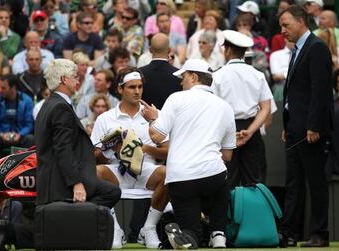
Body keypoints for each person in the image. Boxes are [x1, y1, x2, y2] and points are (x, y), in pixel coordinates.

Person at [0, 58, 121, 250]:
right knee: (110, 193)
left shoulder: (49, 104)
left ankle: (11, 232)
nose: (79, 80)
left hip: (54, 178)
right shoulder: (60, 107)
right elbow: (63, 149)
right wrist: (76, 183)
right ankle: (15, 232)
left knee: (56, 228)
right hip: (62, 181)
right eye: (75, 77)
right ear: (63, 79)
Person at [141, 59, 236, 248]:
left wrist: (152, 119)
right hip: (212, 176)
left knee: (191, 232)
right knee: (221, 178)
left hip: (181, 178)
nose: (180, 82)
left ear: (193, 77)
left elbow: (158, 135)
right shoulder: (225, 106)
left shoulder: (176, 98)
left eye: (183, 77)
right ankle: (218, 233)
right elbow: (227, 156)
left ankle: (190, 235)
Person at [90, 67, 169, 249]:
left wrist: (147, 148)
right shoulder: (105, 118)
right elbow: (93, 157)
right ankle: (116, 229)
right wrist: (112, 149)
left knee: (170, 173)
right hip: (116, 170)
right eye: (132, 87)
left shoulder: (153, 116)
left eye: (140, 86)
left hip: (145, 170)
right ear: (120, 89)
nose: (137, 91)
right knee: (95, 172)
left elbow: (168, 151)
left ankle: (148, 229)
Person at [279, 5, 332, 247]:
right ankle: (289, 233)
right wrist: (287, 124)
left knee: (315, 182)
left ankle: (320, 233)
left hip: (310, 130)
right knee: (293, 183)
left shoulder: (317, 47)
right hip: (294, 128)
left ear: (301, 22)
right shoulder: (298, 49)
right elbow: (295, 92)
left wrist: (314, 126)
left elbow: (320, 91)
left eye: (286, 25)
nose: (283, 30)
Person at [211, 30, 272, 188]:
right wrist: (250, 132)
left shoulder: (217, 76)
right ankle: (254, 213)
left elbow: (214, 109)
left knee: (227, 181)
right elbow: (266, 108)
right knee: (254, 182)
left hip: (226, 131)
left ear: (228, 50)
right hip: (252, 130)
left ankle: (229, 214)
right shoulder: (257, 74)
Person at [0, 74, 35, 166]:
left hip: (20, 135)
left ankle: (26, 168)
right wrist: (1, 134)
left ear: (13, 87)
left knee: (31, 139)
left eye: (4, 88)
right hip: (2, 136)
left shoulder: (27, 100)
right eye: (0, 87)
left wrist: (20, 134)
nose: (0, 90)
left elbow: (29, 124)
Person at [140, 33, 182, 110]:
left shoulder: (139, 73)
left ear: (150, 50)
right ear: (169, 50)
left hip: (145, 119)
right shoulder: (179, 75)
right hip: (171, 121)